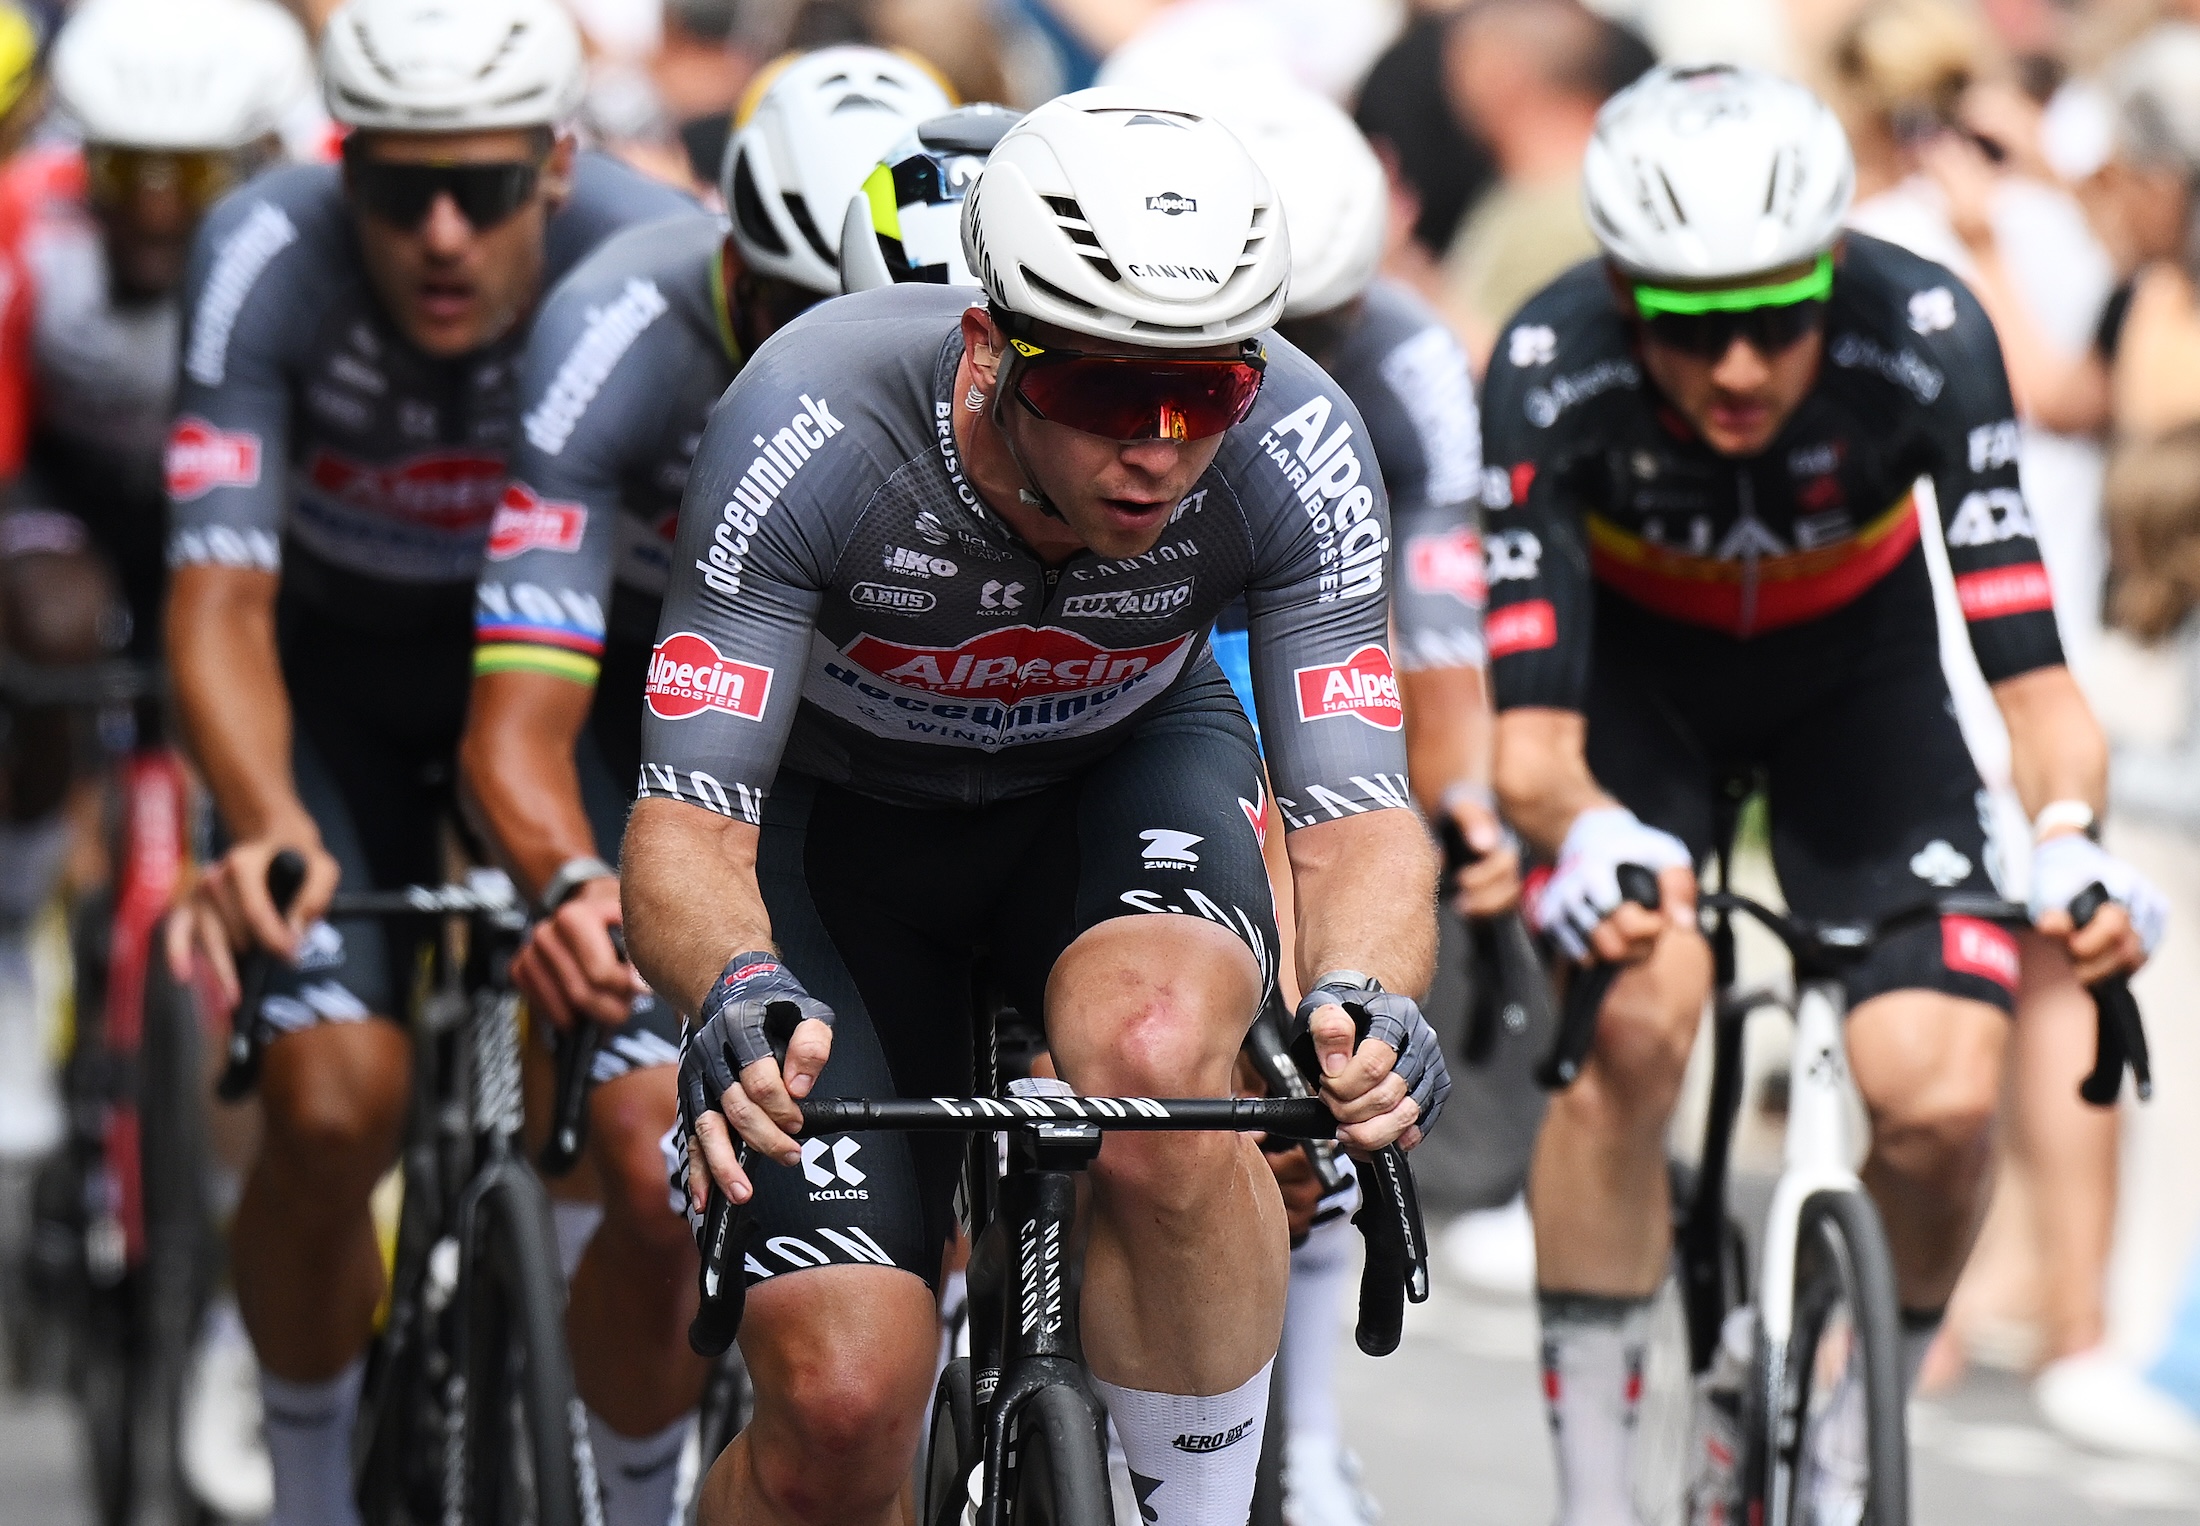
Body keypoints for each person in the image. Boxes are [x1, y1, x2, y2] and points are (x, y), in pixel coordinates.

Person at [623, 88, 1448, 1526]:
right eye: (1104, 393)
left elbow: (1359, 816)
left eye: (1203, 395)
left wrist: (1370, 995)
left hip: (1114, 784)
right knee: (841, 1404)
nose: (1158, 448)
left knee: (1160, 1064)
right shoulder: (809, 418)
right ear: (991, 342)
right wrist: (735, 984)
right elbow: (687, 827)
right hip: (841, 844)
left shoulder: (1302, 437)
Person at [1479, 64, 2166, 1526]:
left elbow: (2037, 685)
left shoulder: (1924, 335)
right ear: (1618, 289)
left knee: (1942, 1094)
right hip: (1639, 703)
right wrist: (1584, 829)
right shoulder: (1549, 358)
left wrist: (2064, 841)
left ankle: (1857, 1430)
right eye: (1688, 323)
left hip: (1861, 694)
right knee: (1638, 1015)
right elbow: (1531, 745)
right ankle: (1594, 1497)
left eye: (1778, 317)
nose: (1738, 368)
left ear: (1832, 271)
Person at [158, 2, 691, 1523]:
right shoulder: (262, 253)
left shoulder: (651, 256)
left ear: (560, 164)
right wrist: (263, 817)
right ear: (345, 174)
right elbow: (218, 596)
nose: (441, 231)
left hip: (576, 688)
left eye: (485, 186)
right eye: (397, 190)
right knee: (331, 1107)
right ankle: (314, 1485)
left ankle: (592, 1444)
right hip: (339, 680)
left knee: (613, 1089)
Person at [457, 47, 952, 1526]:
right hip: (627, 700)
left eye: (848, 320)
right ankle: (624, 1489)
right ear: (729, 262)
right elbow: (517, 718)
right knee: (650, 1161)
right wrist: (565, 879)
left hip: (839, 736)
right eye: (781, 315)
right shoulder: (616, 327)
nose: (811, 358)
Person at [1167, 76, 1516, 1526]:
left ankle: (1300, 1434)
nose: (1289, 372)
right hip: (1149, 629)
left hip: (1307, 631)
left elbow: (1432, 637)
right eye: (1264, 340)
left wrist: (1470, 803)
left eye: (1319, 338)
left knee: (1329, 994)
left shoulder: (1412, 362)